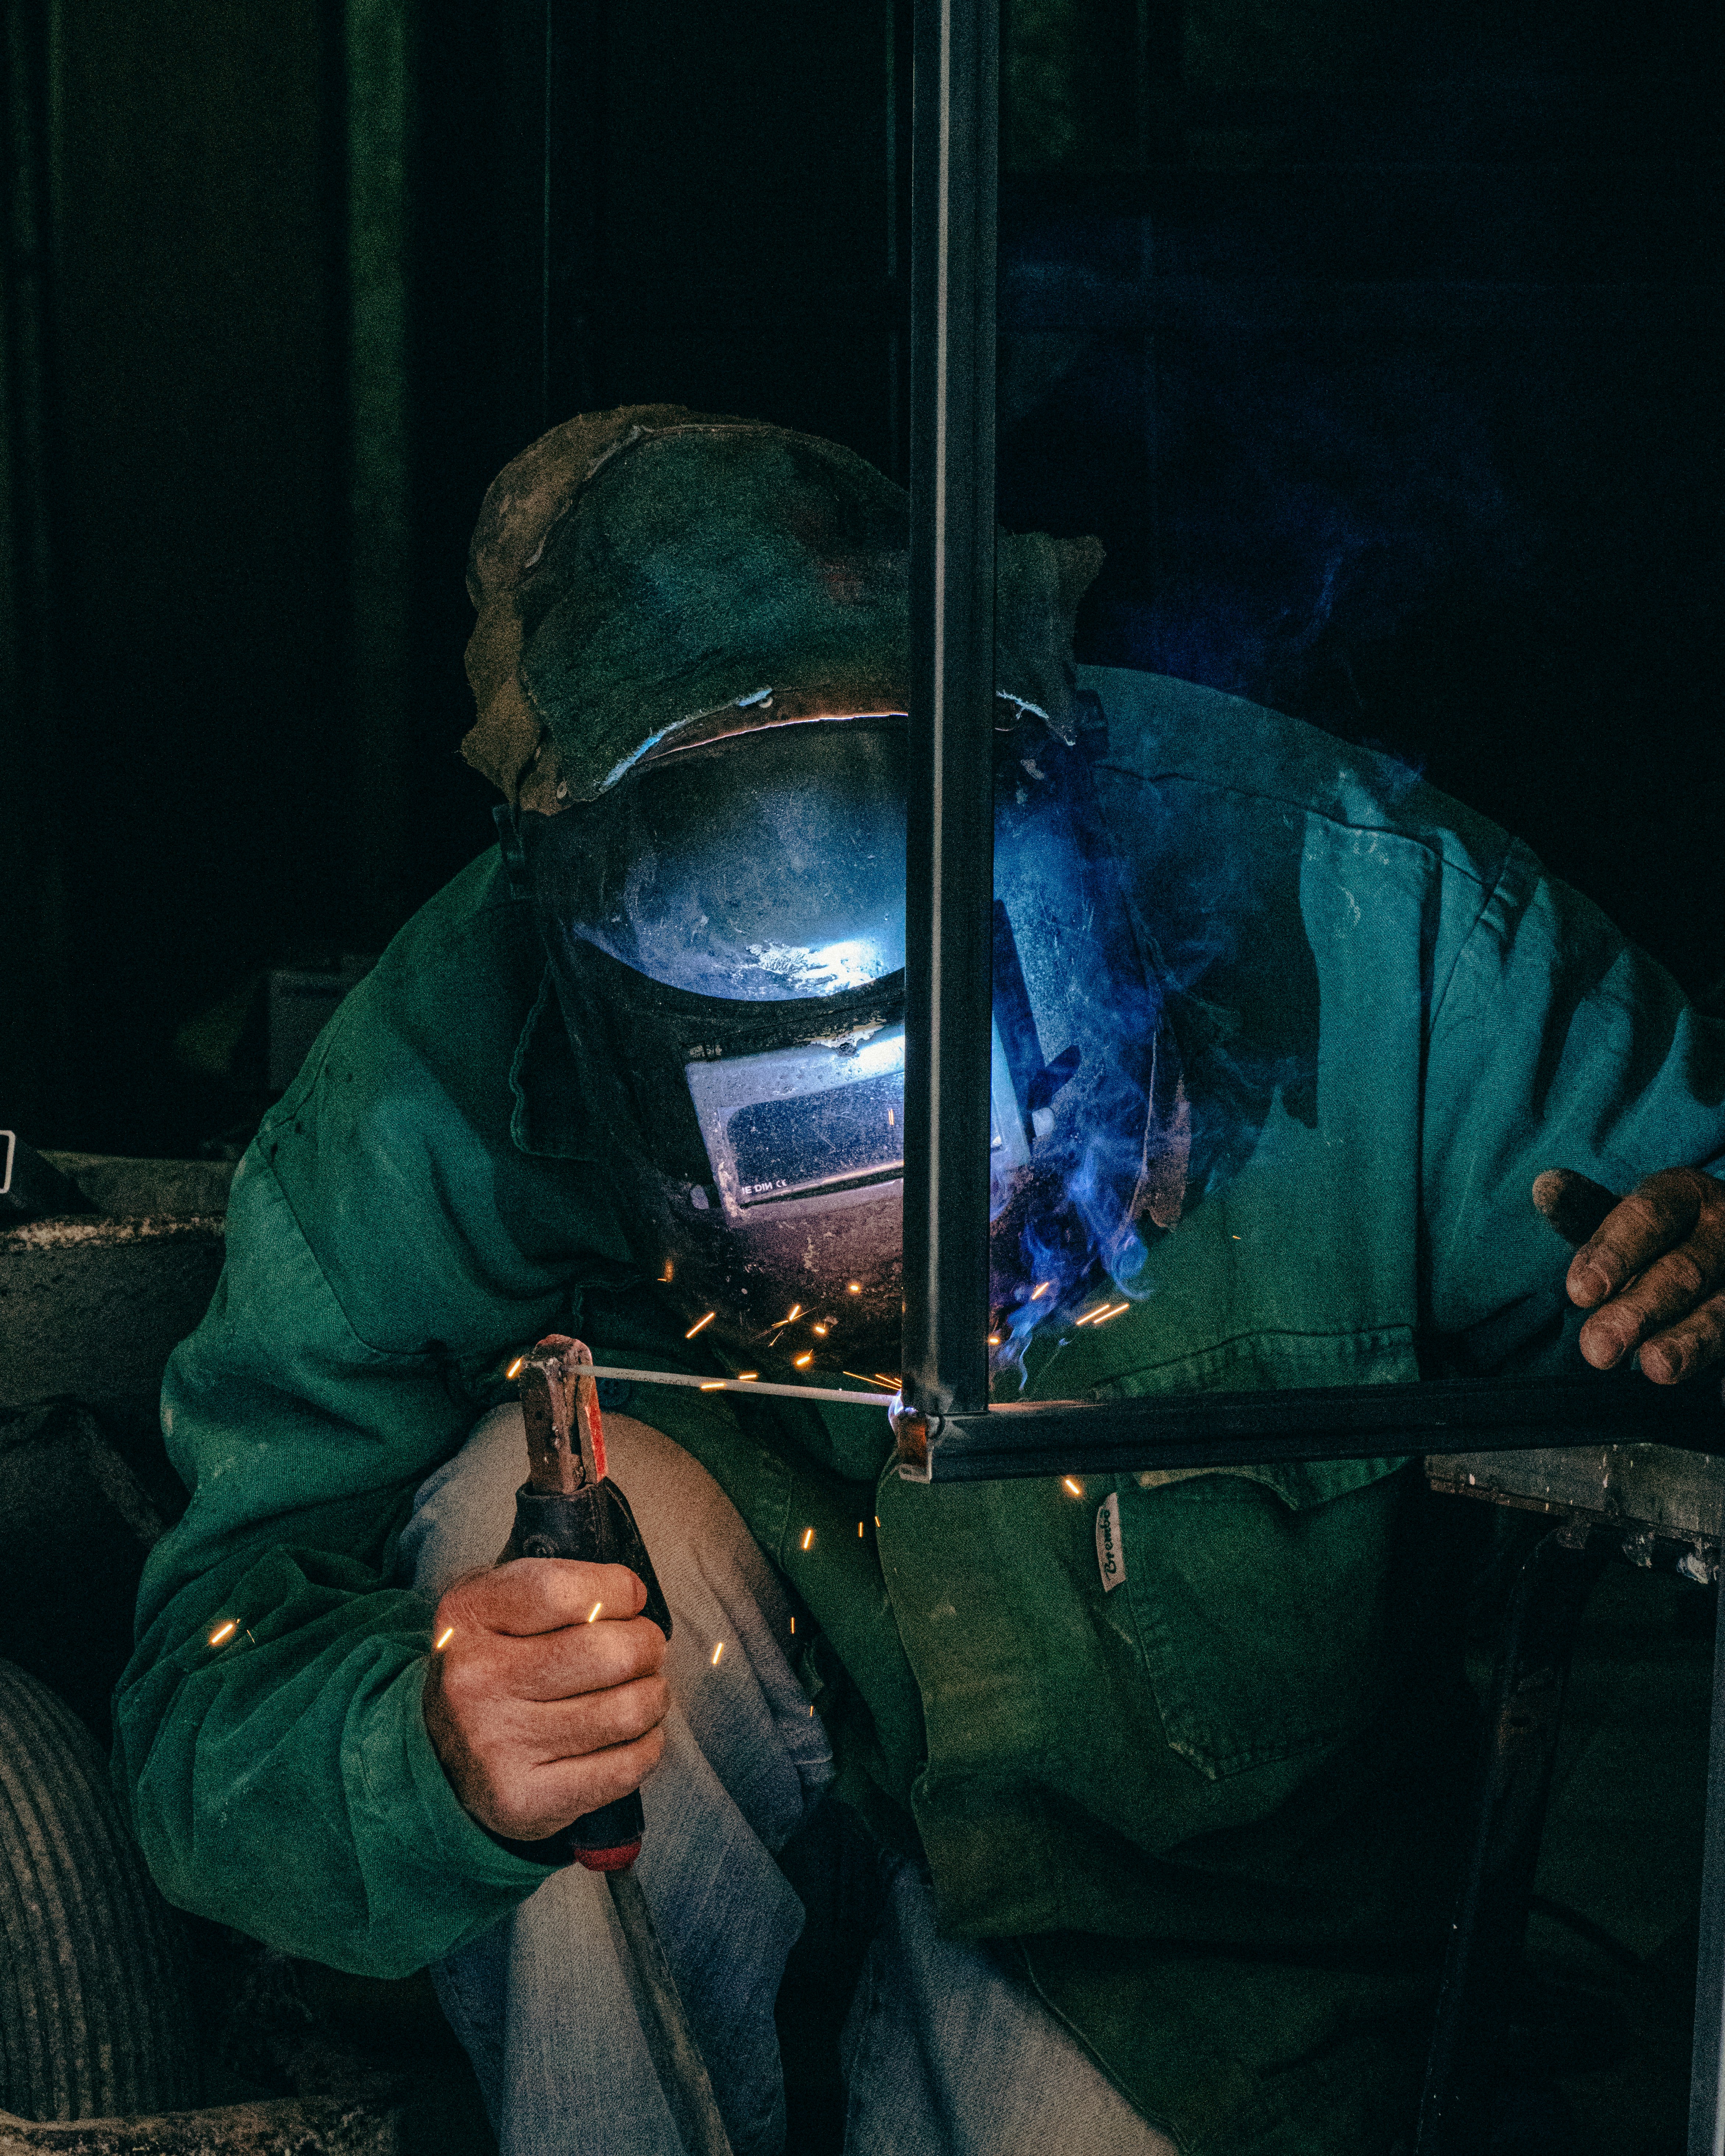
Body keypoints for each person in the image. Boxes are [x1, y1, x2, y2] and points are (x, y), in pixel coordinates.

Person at [114, 408, 1725, 2156]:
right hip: (680, 1841)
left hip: (1178, 1958)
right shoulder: (439, 1068)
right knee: (530, 1515)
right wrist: (428, 1747)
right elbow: (209, 1699)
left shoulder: (1375, 920)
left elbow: (1681, 1250)